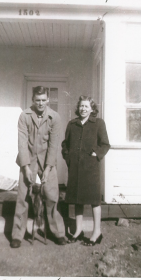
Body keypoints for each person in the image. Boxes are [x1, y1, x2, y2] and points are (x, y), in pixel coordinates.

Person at [10, 86, 66, 248]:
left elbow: (54, 145)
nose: (40, 103)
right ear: (32, 100)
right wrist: (26, 167)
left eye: (43, 100)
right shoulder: (24, 116)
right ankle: (17, 235)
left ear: (48, 100)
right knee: (22, 197)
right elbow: (22, 143)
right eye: (37, 100)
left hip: (47, 161)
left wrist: (48, 169)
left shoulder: (54, 117)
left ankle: (58, 233)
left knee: (51, 196)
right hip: (27, 160)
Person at [62, 95, 110, 246]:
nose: (83, 109)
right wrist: (68, 157)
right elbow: (65, 144)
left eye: (86, 106)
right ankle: (78, 230)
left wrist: (96, 153)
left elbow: (105, 144)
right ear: (78, 107)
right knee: (77, 199)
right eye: (81, 106)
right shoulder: (72, 124)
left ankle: (97, 232)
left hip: (91, 168)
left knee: (94, 200)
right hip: (75, 167)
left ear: (92, 109)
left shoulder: (98, 123)